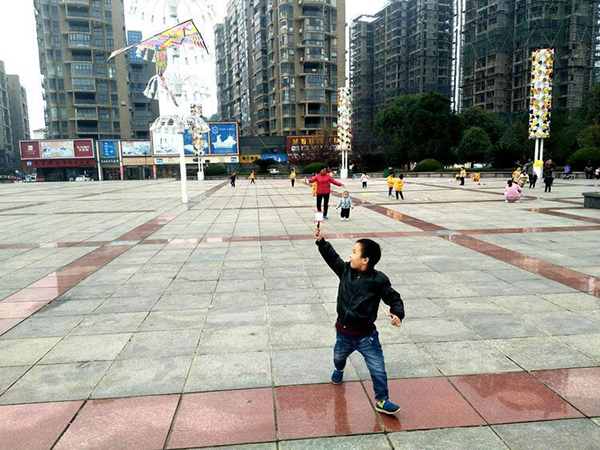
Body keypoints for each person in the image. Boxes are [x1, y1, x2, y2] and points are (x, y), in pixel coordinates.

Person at [314, 228, 404, 415]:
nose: (350, 255)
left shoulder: (378, 280)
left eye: (354, 252)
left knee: (378, 367)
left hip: (366, 336)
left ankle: (382, 400)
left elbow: (394, 298)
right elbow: (332, 258)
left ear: (365, 260)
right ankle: (339, 369)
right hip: (343, 333)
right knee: (339, 357)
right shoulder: (345, 270)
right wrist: (322, 242)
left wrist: (397, 314)